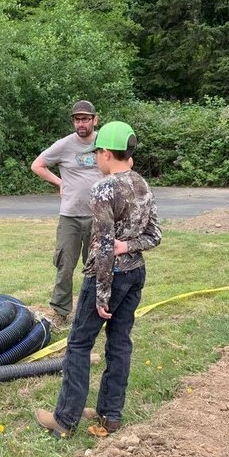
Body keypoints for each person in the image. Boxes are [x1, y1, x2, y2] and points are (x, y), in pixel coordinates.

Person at [35, 121, 161, 438]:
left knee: (78, 344)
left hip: (108, 277)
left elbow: (104, 245)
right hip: (135, 275)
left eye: (97, 155)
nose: (96, 161)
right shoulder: (142, 184)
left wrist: (102, 294)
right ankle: (110, 415)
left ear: (106, 153)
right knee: (119, 344)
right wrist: (129, 246)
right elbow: (155, 235)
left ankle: (64, 421)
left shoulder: (104, 188)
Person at [31, 100, 102, 328]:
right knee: (65, 266)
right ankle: (61, 312)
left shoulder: (105, 142)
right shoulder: (64, 145)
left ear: (94, 119)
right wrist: (59, 182)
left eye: (85, 119)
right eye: (77, 119)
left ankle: (98, 309)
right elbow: (37, 165)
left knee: (99, 265)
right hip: (70, 216)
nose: (81, 123)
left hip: (99, 217)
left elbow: (125, 163)